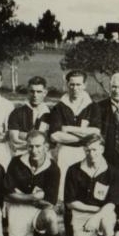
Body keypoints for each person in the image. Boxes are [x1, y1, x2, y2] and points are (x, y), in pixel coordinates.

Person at [2, 130, 62, 236]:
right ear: (26, 146)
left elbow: (49, 203)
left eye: (38, 146)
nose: (34, 150)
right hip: (17, 210)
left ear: (46, 147)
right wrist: (34, 197)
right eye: (30, 146)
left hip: (36, 211)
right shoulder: (16, 162)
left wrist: (19, 196)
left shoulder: (53, 168)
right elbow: (6, 194)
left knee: (50, 216)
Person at [64, 134, 119, 236]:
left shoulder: (113, 172)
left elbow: (112, 203)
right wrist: (94, 212)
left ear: (102, 149)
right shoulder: (73, 170)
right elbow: (70, 202)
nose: (91, 153)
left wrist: (97, 217)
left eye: (95, 149)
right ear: (84, 150)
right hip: (81, 214)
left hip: (103, 214)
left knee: (107, 223)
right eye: (88, 150)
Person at [49, 70, 97, 200]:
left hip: (86, 151)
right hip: (65, 151)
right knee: (64, 185)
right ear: (67, 85)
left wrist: (67, 128)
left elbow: (96, 132)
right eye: (72, 84)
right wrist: (84, 135)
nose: (75, 88)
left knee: (84, 183)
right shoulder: (59, 107)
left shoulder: (93, 106)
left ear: (85, 85)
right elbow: (54, 136)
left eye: (78, 84)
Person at [86, 72, 119, 191]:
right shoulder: (98, 107)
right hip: (105, 159)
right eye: (114, 87)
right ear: (110, 87)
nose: (117, 90)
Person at [7, 75, 52, 157]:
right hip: (21, 154)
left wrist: (22, 134)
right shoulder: (17, 112)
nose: (35, 95)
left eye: (39, 92)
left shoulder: (51, 114)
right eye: (32, 91)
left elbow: (51, 139)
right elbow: (14, 139)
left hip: (44, 156)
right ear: (28, 91)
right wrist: (39, 141)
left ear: (45, 93)